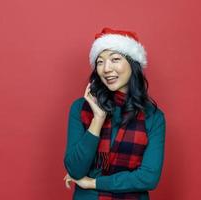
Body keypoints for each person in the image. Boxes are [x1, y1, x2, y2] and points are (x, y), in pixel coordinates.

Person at [63, 27, 166, 200]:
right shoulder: (81, 108)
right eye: (100, 62)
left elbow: (149, 178)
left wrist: (93, 183)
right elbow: (75, 169)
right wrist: (98, 119)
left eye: (115, 59)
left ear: (133, 64)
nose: (106, 69)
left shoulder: (153, 117)